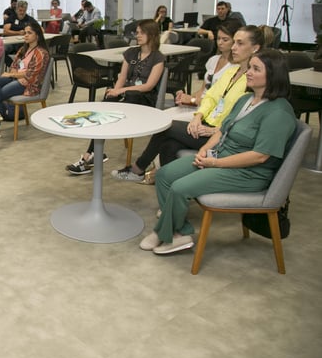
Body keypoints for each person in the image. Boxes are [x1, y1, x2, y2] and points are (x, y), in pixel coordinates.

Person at [139, 49, 296, 254]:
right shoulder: (246, 100)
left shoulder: (279, 113)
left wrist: (215, 163)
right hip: (219, 156)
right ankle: (178, 232)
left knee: (179, 188)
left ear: (273, 75)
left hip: (247, 172)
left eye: (256, 69)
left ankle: (164, 233)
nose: (248, 72)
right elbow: (222, 130)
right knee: (165, 175)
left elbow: (260, 156)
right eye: (250, 67)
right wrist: (205, 150)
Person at [111, 24, 266, 183]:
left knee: (166, 126)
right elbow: (211, 97)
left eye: (239, 44)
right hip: (206, 123)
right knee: (168, 145)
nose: (234, 47)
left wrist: (214, 130)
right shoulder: (232, 72)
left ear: (255, 48)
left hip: (221, 135)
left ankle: (138, 169)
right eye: (234, 42)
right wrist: (197, 117)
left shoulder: (254, 81)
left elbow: (245, 119)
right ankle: (169, 192)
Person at [67, 19, 165, 175]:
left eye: (141, 33)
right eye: (137, 32)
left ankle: (92, 155)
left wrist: (120, 92)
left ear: (151, 34)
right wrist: (115, 91)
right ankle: (90, 154)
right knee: (107, 103)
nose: (137, 35)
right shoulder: (131, 52)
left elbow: (149, 86)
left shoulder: (158, 58)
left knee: (126, 97)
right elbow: (122, 77)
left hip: (144, 99)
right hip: (126, 95)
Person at [0, 21, 50, 140]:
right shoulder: (23, 49)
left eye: (29, 33)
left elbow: (31, 76)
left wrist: (12, 74)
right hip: (17, 79)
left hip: (29, 85)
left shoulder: (42, 53)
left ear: (37, 35)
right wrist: (13, 74)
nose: (25, 35)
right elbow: (14, 65)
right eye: (25, 33)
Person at [168, 19, 242, 121]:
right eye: (218, 38)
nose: (220, 42)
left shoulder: (235, 68)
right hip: (198, 104)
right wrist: (186, 97)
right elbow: (202, 90)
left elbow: (220, 101)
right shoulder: (213, 60)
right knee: (162, 115)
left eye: (225, 40)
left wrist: (193, 100)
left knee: (169, 120)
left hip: (211, 112)